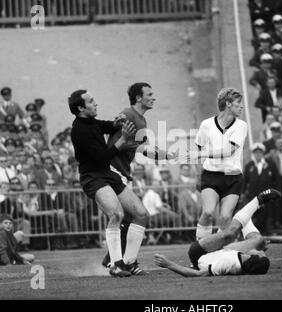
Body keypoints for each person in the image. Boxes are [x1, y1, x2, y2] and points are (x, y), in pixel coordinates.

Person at [69, 89, 145, 277]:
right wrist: (123, 140)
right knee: (116, 214)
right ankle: (116, 265)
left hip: (107, 174)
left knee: (141, 214)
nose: (96, 103)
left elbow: (107, 126)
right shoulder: (79, 130)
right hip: (92, 177)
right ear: (81, 108)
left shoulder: (91, 122)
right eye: (91, 101)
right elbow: (100, 159)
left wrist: (116, 123)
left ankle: (128, 262)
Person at [102, 83, 175, 271]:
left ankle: (113, 259)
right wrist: (161, 153)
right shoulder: (127, 115)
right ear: (138, 98)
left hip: (119, 173)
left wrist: (167, 154)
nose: (154, 97)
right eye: (150, 94)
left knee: (128, 218)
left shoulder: (141, 120)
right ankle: (127, 262)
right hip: (112, 172)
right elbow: (124, 144)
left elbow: (147, 150)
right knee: (140, 215)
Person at [154, 188, 281, 277]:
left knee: (230, 235)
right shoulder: (244, 261)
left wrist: (169, 264)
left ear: (251, 257)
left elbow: (199, 274)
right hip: (224, 251)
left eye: (261, 254)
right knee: (259, 241)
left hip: (200, 254)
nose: (262, 252)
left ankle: (258, 200)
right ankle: (245, 218)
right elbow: (252, 258)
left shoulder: (225, 263)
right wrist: (258, 248)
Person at [179, 88, 247, 240]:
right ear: (228, 104)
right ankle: (199, 249)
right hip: (211, 175)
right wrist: (198, 174)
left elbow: (229, 150)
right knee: (208, 212)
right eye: (238, 103)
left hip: (233, 177)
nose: (242, 106)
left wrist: (202, 154)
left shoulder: (241, 125)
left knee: (224, 217)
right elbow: (198, 147)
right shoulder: (207, 124)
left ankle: (218, 251)